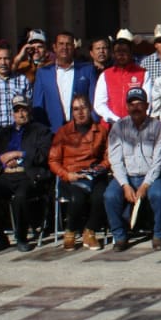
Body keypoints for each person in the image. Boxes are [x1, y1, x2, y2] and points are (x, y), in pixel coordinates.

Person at [0, 95, 52, 253]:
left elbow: (44, 155)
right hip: (6, 174)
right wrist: (2, 158)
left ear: (30, 111)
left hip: (28, 175)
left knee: (21, 197)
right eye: (17, 111)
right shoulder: (3, 133)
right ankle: (0, 237)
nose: (21, 114)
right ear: (12, 113)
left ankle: (21, 237)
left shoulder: (41, 131)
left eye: (24, 110)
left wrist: (20, 155)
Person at [104, 88, 161, 251]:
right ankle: (119, 236)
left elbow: (158, 160)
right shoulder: (119, 127)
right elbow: (115, 160)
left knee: (159, 194)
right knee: (110, 195)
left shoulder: (158, 127)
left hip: (150, 175)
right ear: (127, 106)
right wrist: (125, 185)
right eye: (132, 104)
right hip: (126, 176)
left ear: (147, 105)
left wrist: (145, 185)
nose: (136, 108)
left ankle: (159, 234)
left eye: (140, 104)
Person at [48, 94, 109, 251]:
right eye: (76, 109)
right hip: (71, 174)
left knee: (102, 196)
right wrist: (67, 175)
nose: (80, 112)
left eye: (84, 108)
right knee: (77, 198)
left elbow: (108, 156)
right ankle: (70, 232)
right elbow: (53, 161)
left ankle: (90, 231)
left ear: (90, 110)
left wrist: (99, 168)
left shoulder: (100, 131)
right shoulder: (63, 132)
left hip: (94, 174)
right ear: (72, 113)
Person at [32, 31, 97, 130]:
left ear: (74, 47)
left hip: (82, 130)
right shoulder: (43, 73)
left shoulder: (87, 70)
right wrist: (43, 131)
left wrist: (92, 124)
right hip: (52, 131)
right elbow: (38, 105)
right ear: (54, 47)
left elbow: (94, 101)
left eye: (68, 44)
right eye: (61, 44)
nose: (64, 48)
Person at [93, 37, 151, 124]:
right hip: (112, 125)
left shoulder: (143, 73)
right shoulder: (105, 75)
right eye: (118, 51)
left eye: (124, 51)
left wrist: (138, 120)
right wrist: (116, 120)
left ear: (131, 53)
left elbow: (148, 102)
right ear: (113, 54)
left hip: (137, 125)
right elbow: (99, 104)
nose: (121, 54)